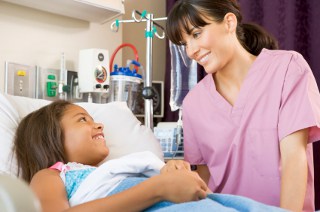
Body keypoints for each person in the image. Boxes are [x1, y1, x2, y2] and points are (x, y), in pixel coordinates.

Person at [165, 0, 320, 212]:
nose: (191, 51)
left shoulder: (288, 69)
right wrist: (178, 173)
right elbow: (202, 180)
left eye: (196, 34)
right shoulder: (193, 103)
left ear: (229, 22)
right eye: (184, 43)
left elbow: (295, 158)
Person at [13, 100, 286, 212]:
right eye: (83, 120)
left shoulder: (108, 170)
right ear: (50, 137)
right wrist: (157, 187)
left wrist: (171, 172)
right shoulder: (52, 174)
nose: (99, 125)